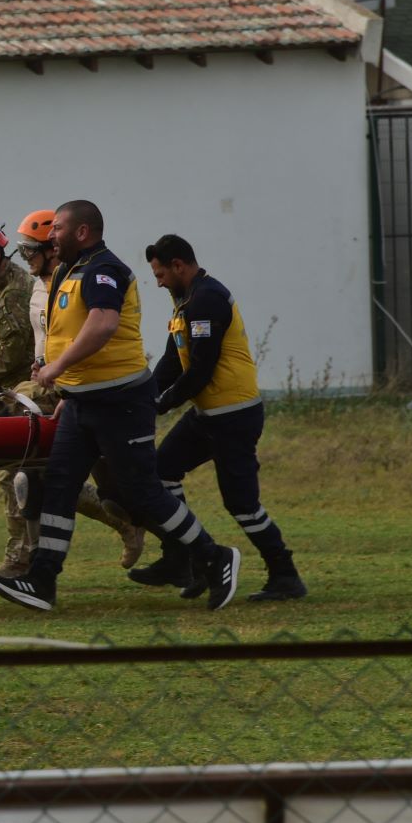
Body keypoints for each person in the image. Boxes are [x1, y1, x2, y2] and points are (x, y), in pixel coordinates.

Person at [0, 200, 242, 613]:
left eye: (58, 228)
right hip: (81, 402)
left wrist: (57, 368)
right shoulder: (67, 271)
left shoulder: (105, 270)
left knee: (141, 492)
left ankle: (214, 557)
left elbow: (103, 324)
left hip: (120, 402)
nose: (51, 235)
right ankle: (43, 580)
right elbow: (68, 332)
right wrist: (63, 385)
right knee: (59, 485)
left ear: (82, 232)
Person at [0, 217, 144, 579]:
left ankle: (22, 559)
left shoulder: (25, 290)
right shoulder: (17, 288)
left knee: (19, 472)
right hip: (31, 388)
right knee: (44, 476)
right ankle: (123, 527)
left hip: (48, 391)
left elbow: (17, 352)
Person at [136, 234, 308, 602]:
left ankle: (285, 575)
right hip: (208, 416)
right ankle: (185, 557)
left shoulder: (207, 298)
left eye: (161, 274)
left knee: (242, 504)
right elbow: (172, 361)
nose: (159, 283)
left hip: (234, 417)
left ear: (178, 265)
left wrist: (159, 406)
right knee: (162, 470)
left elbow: (201, 369)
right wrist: (144, 397)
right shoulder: (185, 301)